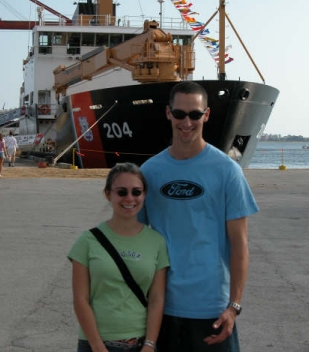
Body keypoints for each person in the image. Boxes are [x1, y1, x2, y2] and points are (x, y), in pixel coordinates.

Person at [139, 81, 259, 352]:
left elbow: (240, 245)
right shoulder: (150, 171)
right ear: (168, 113)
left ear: (206, 115)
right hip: (161, 307)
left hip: (212, 309)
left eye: (194, 114)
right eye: (180, 114)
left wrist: (234, 306)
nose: (187, 122)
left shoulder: (227, 171)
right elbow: (134, 238)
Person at [68, 162, 170, 352]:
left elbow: (157, 298)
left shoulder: (157, 242)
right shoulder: (87, 241)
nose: (129, 198)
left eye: (136, 192)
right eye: (121, 192)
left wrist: (150, 344)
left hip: (140, 344)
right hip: (96, 344)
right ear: (108, 194)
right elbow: (80, 299)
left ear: (144, 195)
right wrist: (98, 346)